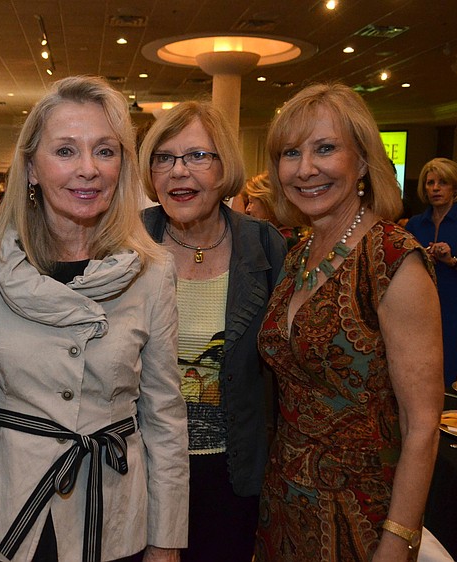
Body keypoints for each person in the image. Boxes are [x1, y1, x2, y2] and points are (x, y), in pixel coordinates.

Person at [0, 75, 189, 562]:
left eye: (105, 151)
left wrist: (166, 541)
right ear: (32, 168)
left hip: (111, 516)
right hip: (1, 511)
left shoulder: (152, 269)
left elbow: (163, 414)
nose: (88, 170)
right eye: (65, 151)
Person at [256, 83, 443, 561]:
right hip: (284, 507)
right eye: (290, 153)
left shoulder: (394, 259)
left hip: (364, 515)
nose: (305, 169)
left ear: (362, 161)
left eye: (325, 148)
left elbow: (422, 423)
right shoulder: (298, 255)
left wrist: (399, 541)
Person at [138, 101, 287, 562]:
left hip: (233, 474)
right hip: (140, 472)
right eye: (164, 158)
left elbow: (283, 371)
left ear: (226, 166)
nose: (179, 172)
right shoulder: (127, 241)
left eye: (198, 156)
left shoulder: (263, 245)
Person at [405, 158, 457, 385]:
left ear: (455, 188)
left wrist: (452, 261)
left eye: (442, 183)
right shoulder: (414, 224)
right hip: (421, 307)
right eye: (430, 183)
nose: (435, 188)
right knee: (420, 370)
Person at [244, 172, 302, 249]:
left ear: (268, 203)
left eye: (251, 202)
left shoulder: (280, 241)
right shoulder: (272, 235)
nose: (247, 209)